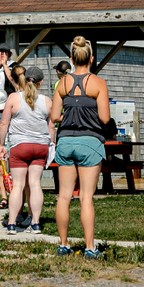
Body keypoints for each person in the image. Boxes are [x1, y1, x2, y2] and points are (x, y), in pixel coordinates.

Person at [51, 36, 110, 260]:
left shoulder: (62, 84)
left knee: (64, 196)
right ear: (91, 59)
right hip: (90, 142)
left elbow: (54, 116)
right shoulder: (98, 83)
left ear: (71, 58)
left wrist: (70, 113)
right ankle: (90, 247)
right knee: (86, 197)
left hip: (65, 141)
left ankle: (63, 245)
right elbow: (105, 118)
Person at [0, 66, 54, 234]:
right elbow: (51, 127)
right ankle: (35, 224)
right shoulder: (47, 101)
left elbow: (4, 123)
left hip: (20, 146)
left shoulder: (14, 98)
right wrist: (51, 144)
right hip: (40, 146)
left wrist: (2, 144)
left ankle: (12, 223)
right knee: (35, 184)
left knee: (18, 185)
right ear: (40, 82)